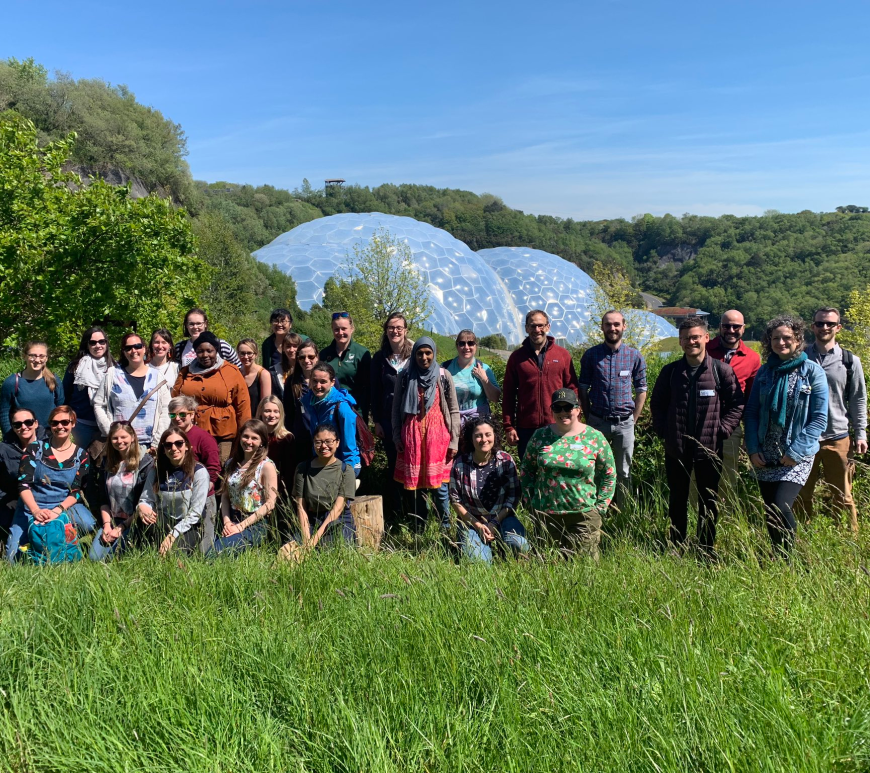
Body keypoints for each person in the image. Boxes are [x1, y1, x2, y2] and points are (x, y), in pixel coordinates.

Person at [650, 317, 744, 557]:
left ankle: (706, 549)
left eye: (695, 337)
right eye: (686, 338)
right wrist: (664, 431)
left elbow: (736, 404)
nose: (691, 342)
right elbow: (657, 404)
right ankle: (677, 546)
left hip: (709, 449)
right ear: (680, 342)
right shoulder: (671, 372)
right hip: (676, 448)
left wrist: (722, 430)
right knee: (677, 500)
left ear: (706, 338)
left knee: (708, 501)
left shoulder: (721, 371)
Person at [745, 315, 829, 557]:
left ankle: (789, 559)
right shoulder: (764, 372)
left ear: (798, 339)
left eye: (787, 338)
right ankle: (777, 557)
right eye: (775, 338)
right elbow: (751, 413)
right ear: (768, 341)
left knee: (781, 505)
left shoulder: (812, 372)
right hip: (766, 452)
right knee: (770, 509)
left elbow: (819, 419)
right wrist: (753, 449)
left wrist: (796, 452)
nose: (781, 342)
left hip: (796, 454)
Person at [520, 388, 616, 558]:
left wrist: (601, 507)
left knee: (585, 568)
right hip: (546, 515)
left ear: (578, 409)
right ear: (552, 410)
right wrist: (530, 502)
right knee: (548, 567)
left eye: (568, 407)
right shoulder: (540, 436)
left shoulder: (594, 437)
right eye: (558, 408)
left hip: (584, 516)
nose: (563, 412)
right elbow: (527, 470)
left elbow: (609, 474)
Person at [795, 308, 867, 533]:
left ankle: (848, 538)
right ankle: (800, 536)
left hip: (838, 436)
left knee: (843, 495)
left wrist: (861, 434)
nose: (824, 327)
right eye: (820, 323)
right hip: (804, 437)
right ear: (812, 326)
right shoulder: (800, 357)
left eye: (830, 324)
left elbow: (858, 399)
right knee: (800, 493)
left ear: (838, 327)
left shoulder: (849, 361)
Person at [6, 406, 96, 562]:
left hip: (64, 505)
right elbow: (23, 485)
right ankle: (35, 542)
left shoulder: (82, 455)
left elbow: (76, 491)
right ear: (50, 424)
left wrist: (58, 510)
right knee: (12, 557)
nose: (60, 426)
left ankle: (62, 540)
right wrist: (35, 511)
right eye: (55, 423)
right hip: (32, 505)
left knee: (88, 523)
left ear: (73, 423)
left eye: (65, 422)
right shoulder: (35, 448)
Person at [578, 311, 647, 509]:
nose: (612, 328)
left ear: (624, 326)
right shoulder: (591, 355)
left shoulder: (634, 356)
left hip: (624, 423)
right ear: (602, 327)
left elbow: (641, 390)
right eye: (608, 324)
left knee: (624, 471)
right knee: (594, 469)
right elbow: (583, 389)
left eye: (616, 324)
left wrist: (633, 420)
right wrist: (589, 417)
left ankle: (623, 513)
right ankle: (595, 511)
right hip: (597, 421)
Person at [392, 338, 460, 531]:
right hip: (412, 438)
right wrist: (396, 436)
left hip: (438, 440)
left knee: (440, 488)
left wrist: (454, 441)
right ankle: (419, 528)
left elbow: (454, 410)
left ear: (434, 354)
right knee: (417, 489)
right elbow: (396, 409)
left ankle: (445, 528)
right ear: (414, 355)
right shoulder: (405, 376)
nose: (424, 357)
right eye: (419, 353)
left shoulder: (444, 376)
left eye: (428, 353)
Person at [449, 417, 528, 564]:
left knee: (520, 545)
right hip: (472, 522)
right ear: (471, 438)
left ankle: (503, 547)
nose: (484, 439)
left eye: (488, 434)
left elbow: (513, 497)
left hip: (502, 518)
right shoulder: (460, 464)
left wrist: (494, 523)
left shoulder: (506, 461)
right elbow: (455, 500)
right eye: (478, 435)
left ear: (494, 436)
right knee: (478, 563)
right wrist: (478, 525)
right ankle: (482, 547)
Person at [503, 310, 579, 459]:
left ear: (548, 327)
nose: (537, 330)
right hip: (526, 428)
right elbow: (509, 394)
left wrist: (575, 418)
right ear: (526, 328)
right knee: (529, 470)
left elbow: (572, 389)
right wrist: (509, 426)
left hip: (558, 424)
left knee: (558, 468)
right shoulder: (517, 358)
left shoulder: (562, 355)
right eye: (532, 326)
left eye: (540, 325)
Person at [705, 310, 761, 496]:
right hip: (701, 422)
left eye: (736, 326)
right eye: (726, 326)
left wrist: (749, 435)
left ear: (743, 329)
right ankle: (698, 511)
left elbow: (751, 400)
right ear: (719, 327)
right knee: (698, 475)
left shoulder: (753, 358)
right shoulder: (705, 349)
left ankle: (726, 512)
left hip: (731, 426)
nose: (730, 330)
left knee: (728, 476)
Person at [172, 331, 251, 461]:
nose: (205, 355)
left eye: (209, 351)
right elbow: (175, 400)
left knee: (220, 467)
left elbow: (243, 406)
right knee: (192, 467)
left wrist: (245, 435)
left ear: (216, 351)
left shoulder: (231, 371)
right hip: (191, 431)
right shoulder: (185, 372)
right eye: (200, 351)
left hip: (223, 435)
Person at [136, 427, 209, 556]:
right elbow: (146, 499)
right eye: (168, 445)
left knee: (173, 556)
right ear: (163, 450)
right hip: (163, 521)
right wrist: (142, 506)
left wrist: (173, 534)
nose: (174, 448)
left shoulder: (199, 471)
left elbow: (195, 513)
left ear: (187, 446)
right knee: (143, 521)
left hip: (189, 526)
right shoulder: (156, 471)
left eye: (179, 443)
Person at [88, 421, 155, 561]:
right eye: (115, 438)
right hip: (112, 520)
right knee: (95, 558)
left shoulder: (145, 463)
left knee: (116, 557)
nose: (119, 441)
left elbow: (145, 501)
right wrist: (107, 526)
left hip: (134, 521)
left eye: (123, 437)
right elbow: (103, 499)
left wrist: (122, 527)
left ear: (133, 437)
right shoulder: (107, 462)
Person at [93, 332, 171, 453]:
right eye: (128, 348)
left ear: (144, 349)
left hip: (150, 446)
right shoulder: (112, 375)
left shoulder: (157, 377)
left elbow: (166, 409)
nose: (133, 350)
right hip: (120, 445)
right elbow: (99, 404)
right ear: (124, 352)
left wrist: (157, 441)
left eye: (137, 346)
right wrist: (111, 432)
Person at [370, 313, 413, 523]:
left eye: (399, 327)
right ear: (386, 331)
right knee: (394, 464)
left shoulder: (415, 355)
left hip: (411, 420)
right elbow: (374, 391)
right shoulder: (380, 358)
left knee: (412, 464)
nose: (395, 331)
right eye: (391, 327)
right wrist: (377, 421)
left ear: (405, 330)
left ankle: (414, 511)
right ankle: (396, 512)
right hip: (387, 421)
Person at [211, 419, 278, 556]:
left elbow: (270, 503)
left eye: (254, 438)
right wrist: (227, 522)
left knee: (217, 552)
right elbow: (225, 495)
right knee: (211, 549)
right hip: (232, 519)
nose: (249, 441)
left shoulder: (266, 466)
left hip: (255, 523)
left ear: (262, 442)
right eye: (246, 436)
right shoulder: (231, 463)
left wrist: (241, 526)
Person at [288, 422, 357, 551]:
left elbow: (338, 508)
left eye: (328, 441)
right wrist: (306, 539)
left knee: (330, 550)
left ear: (337, 443)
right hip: (310, 518)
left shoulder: (346, 470)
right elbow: (301, 506)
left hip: (336, 520)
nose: (323, 446)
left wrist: (314, 540)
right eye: (318, 442)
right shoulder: (303, 468)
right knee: (290, 552)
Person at [168, 395, 221, 554]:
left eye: (182, 414)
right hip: (178, 497)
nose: (177, 418)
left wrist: (202, 490)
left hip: (203, 497)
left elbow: (214, 468)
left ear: (192, 414)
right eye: (173, 414)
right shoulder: (170, 437)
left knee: (204, 543)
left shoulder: (203, 438)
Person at [302, 363, 361, 476]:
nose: (318, 386)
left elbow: (350, 445)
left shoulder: (342, 407)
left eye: (323, 382)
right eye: (314, 381)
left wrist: (349, 472)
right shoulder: (310, 401)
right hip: (321, 461)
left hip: (342, 465)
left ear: (332, 382)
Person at [62, 327, 114, 450]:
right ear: (87, 344)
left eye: (102, 341)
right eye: (93, 342)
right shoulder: (76, 366)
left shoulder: (115, 367)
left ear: (106, 343)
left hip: (109, 424)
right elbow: (65, 394)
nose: (98, 345)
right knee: (82, 459)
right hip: (81, 425)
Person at [0, 341, 65, 437]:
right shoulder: (12, 382)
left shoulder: (54, 380)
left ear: (46, 358)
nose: (37, 360)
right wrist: (9, 436)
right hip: (23, 435)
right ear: (24, 356)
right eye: (33, 356)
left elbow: (61, 409)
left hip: (50, 435)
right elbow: (4, 412)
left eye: (41, 356)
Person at [0, 408, 43, 545]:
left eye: (28, 422)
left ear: (36, 423)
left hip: (48, 498)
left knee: (86, 523)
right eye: (17, 424)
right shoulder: (4, 449)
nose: (23, 427)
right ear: (13, 428)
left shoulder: (50, 444)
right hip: (17, 499)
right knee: (13, 552)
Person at [319, 312, 371, 422]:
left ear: (352, 329)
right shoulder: (324, 354)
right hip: (329, 412)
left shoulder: (362, 353)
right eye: (336, 329)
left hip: (354, 412)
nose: (340, 333)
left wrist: (361, 414)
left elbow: (368, 388)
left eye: (344, 329)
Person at [282, 339, 319, 468]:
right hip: (300, 438)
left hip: (323, 438)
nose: (306, 360)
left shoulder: (327, 378)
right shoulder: (292, 381)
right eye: (302, 357)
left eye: (311, 356)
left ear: (317, 357)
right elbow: (288, 413)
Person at [173, 308, 242, 369]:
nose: (195, 327)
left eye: (199, 323)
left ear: (205, 324)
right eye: (191, 324)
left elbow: (239, 367)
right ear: (186, 325)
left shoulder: (222, 346)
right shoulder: (180, 347)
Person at [256, 395, 296, 498]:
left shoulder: (286, 438)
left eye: (276, 411)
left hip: (277, 489)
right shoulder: (253, 436)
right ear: (260, 412)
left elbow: (289, 471)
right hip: (254, 487)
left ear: (281, 414)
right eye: (267, 411)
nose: (272, 415)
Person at [237, 339, 272, 410]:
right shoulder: (237, 373)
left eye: (249, 353)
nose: (246, 357)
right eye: (242, 353)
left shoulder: (263, 374)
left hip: (257, 416)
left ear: (256, 354)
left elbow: (265, 404)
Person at [147, 329, 179, 404]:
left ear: (170, 346)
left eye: (164, 342)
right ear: (151, 345)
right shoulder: (144, 368)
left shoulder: (176, 368)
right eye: (156, 342)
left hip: (170, 410)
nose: (160, 346)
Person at [269, 332, 302, 399]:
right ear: (283, 348)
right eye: (288, 346)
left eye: (295, 346)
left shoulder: (306, 370)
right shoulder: (274, 371)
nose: (291, 350)